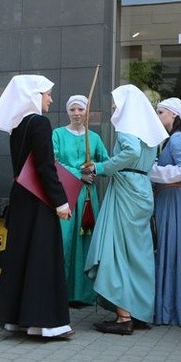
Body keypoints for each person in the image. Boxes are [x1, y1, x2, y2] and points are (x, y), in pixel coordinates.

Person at [0, 74, 74, 340]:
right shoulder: (40, 123)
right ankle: (43, 323)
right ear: (34, 95)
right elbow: (45, 167)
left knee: (21, 257)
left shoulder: (19, 125)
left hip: (21, 198)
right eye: (47, 93)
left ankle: (16, 320)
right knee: (40, 258)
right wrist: (61, 201)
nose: (50, 98)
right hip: (38, 201)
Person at [84, 84, 168, 335]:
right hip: (142, 188)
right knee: (138, 254)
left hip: (126, 190)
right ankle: (140, 311)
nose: (112, 107)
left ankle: (123, 316)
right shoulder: (148, 130)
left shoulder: (128, 127)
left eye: (116, 103)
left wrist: (101, 168)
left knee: (117, 251)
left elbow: (130, 153)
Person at [52, 94, 109, 307]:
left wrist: (94, 166)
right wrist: (78, 173)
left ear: (87, 112)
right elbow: (53, 162)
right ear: (67, 111)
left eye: (80, 110)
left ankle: (83, 293)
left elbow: (106, 162)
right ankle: (60, 291)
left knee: (86, 241)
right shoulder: (57, 134)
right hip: (65, 194)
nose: (76, 113)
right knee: (64, 240)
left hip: (87, 197)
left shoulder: (93, 138)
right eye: (73, 109)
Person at [151, 97, 181, 326]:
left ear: (173, 115)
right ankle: (173, 309)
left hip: (171, 198)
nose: (158, 116)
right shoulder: (180, 137)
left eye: (160, 112)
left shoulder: (178, 138)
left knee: (169, 251)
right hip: (174, 198)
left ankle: (168, 309)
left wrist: (151, 171)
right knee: (174, 251)